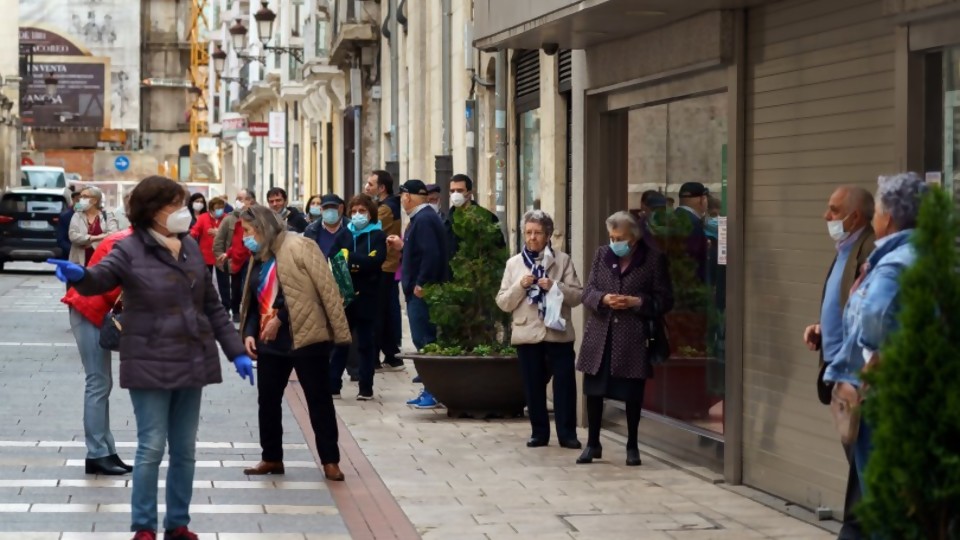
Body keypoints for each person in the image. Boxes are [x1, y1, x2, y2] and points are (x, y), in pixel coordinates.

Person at [47, 175, 254, 540]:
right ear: (152, 210)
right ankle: (144, 526)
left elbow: (213, 306)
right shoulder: (130, 249)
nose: (184, 212)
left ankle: (178, 523)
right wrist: (80, 275)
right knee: (152, 445)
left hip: (192, 360)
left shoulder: (189, 247)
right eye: (175, 205)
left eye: (184, 204)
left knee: (185, 450)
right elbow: (101, 277)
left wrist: (236, 352)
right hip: (149, 359)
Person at [824, 173, 926, 517]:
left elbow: (873, 324)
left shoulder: (893, 265)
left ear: (890, 218)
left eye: (879, 212)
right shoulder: (933, 255)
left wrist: (871, 354)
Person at [237, 205, 352, 481]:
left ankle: (330, 460)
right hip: (270, 343)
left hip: (305, 337)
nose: (245, 236)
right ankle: (271, 457)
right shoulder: (260, 256)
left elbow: (320, 289)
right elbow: (252, 300)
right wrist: (250, 331)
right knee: (268, 401)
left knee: (318, 399)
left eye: (248, 230)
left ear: (263, 228)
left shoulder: (301, 246)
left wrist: (281, 317)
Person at [802, 185, 875, 540]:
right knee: (857, 456)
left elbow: (870, 316)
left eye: (833, 210)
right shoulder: (846, 247)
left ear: (855, 216)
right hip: (838, 370)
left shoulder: (871, 250)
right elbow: (846, 308)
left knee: (864, 459)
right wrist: (822, 328)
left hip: (858, 376)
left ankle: (859, 529)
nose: (826, 216)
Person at [575, 211, 673, 467]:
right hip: (601, 334)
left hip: (632, 337)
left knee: (631, 393)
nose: (614, 242)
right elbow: (588, 293)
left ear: (634, 238)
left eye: (619, 238)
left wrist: (637, 302)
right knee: (594, 391)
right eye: (611, 237)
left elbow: (665, 299)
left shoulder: (652, 260)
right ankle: (592, 443)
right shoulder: (601, 255)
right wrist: (604, 299)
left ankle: (632, 445)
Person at [60, 195, 134, 477]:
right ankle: (96, 454)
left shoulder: (134, 241)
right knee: (97, 383)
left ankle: (107, 450)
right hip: (87, 309)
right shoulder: (124, 243)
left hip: (96, 310)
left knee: (103, 383)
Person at [496, 210, 583, 449]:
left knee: (565, 385)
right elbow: (503, 302)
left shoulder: (562, 260)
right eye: (528, 233)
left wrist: (555, 285)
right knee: (533, 387)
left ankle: (567, 434)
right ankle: (539, 433)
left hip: (558, 333)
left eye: (537, 233)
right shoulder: (514, 264)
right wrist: (520, 286)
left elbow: (577, 296)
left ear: (547, 235)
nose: (532, 237)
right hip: (527, 334)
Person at [386, 180, 449, 409]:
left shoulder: (423, 220)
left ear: (407, 197)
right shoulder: (423, 219)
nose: (402, 200)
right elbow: (420, 250)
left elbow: (431, 255)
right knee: (424, 340)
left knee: (426, 341)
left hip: (422, 292)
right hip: (418, 289)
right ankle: (431, 389)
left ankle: (433, 391)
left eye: (403, 196)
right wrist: (404, 247)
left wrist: (421, 283)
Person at [330, 194, 387, 400]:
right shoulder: (344, 234)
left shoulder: (378, 235)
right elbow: (334, 258)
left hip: (368, 296)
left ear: (370, 213)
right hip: (345, 296)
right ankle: (333, 384)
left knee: (365, 343)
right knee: (340, 342)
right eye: (354, 212)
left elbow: (376, 262)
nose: (357, 215)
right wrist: (359, 262)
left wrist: (350, 258)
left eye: (362, 211)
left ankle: (366, 387)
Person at [364, 170, 404, 372]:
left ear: (382, 188)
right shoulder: (387, 206)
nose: (367, 187)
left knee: (378, 311)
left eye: (370, 184)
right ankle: (391, 354)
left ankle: (375, 357)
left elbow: (372, 230)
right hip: (387, 265)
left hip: (383, 265)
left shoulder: (385, 209)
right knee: (386, 311)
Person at [214, 189, 256, 323]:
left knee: (250, 286)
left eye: (241, 198)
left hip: (252, 258)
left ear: (250, 201)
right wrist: (222, 256)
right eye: (237, 198)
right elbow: (219, 240)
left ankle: (250, 312)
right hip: (235, 259)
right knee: (236, 287)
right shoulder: (229, 219)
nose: (238, 201)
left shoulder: (259, 217)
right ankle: (236, 310)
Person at [444, 173, 505, 257]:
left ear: (469, 193)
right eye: (452, 191)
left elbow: (499, 249)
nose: (455, 194)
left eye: (460, 190)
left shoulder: (486, 218)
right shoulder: (445, 221)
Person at [191, 197, 231, 313]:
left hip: (221, 256)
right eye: (217, 208)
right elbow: (195, 231)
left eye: (221, 208)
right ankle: (204, 306)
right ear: (211, 210)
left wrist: (219, 232)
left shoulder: (227, 218)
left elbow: (231, 235)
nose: (220, 211)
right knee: (204, 282)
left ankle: (226, 307)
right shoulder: (203, 218)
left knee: (224, 283)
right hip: (205, 255)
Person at [69, 186, 119, 267]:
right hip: (79, 262)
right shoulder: (77, 215)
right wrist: (94, 238)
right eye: (81, 196)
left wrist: (90, 243)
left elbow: (113, 235)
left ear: (95, 200)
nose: (81, 199)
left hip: (102, 262)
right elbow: (73, 236)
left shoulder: (108, 215)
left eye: (85, 197)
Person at [304, 194, 349, 258]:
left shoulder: (352, 228)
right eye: (326, 207)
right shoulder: (311, 230)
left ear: (341, 208)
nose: (330, 210)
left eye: (333, 207)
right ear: (321, 210)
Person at [57, 188, 81, 258]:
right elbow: (61, 240)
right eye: (78, 200)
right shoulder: (65, 216)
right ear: (73, 200)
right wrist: (74, 251)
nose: (80, 203)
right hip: (70, 255)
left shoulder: (91, 215)